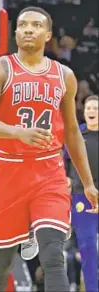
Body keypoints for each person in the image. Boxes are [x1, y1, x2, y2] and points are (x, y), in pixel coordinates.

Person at [0, 7, 98, 292]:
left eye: (36, 25)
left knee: (54, 254)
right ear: (15, 32)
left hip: (48, 171)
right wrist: (18, 132)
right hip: (8, 170)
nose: (29, 29)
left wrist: (88, 183)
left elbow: (71, 132)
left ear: (48, 34)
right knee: (4, 258)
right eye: (23, 25)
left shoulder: (63, 75)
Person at [68, 95, 98, 292]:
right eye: (88, 108)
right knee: (87, 247)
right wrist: (66, 179)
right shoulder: (76, 134)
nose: (91, 111)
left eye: (95, 108)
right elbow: (63, 161)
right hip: (81, 197)